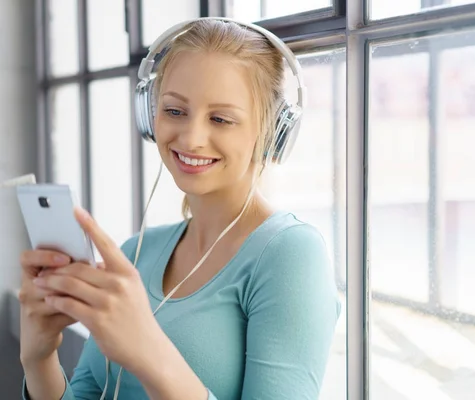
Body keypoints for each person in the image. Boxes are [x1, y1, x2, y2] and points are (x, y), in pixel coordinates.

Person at [18, 18, 341, 400]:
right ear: (149, 116)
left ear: (273, 131)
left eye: (220, 119)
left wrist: (147, 351)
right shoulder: (136, 252)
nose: (191, 138)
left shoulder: (290, 254)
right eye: (174, 111)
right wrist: (38, 359)